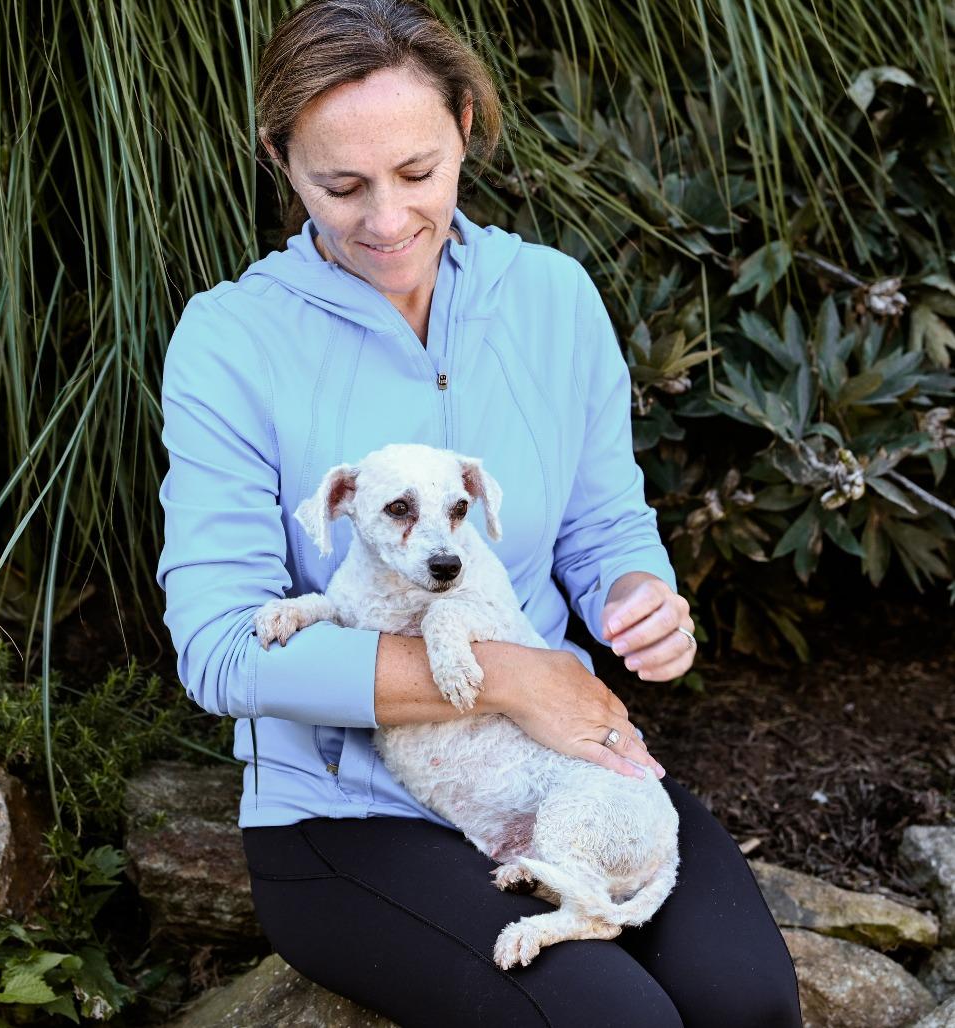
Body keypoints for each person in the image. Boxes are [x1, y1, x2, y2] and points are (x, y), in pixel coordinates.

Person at [156, 0, 802, 1023]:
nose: (385, 221)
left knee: (747, 1003)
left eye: (417, 172)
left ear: (464, 126)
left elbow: (604, 528)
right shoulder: (228, 340)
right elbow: (221, 650)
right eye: (341, 186)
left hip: (554, 768)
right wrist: (507, 678)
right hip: (346, 815)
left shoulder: (551, 296)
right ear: (280, 159)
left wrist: (640, 599)